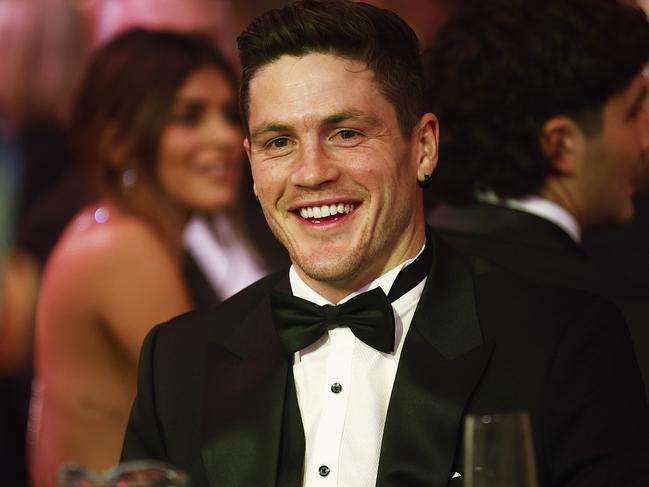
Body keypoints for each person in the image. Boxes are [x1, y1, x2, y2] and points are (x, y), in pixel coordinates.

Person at [121, 1, 649, 486]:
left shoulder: (560, 343)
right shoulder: (178, 363)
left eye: (346, 133)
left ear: (423, 147)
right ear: (253, 166)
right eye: (279, 142)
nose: (311, 173)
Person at [28, 28, 266, 487]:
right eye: (189, 117)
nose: (225, 137)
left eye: (227, 114)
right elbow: (227, 418)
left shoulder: (112, 231)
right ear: (118, 141)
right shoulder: (121, 248)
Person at [423, 0, 649, 395]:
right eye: (633, 113)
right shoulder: (601, 315)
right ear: (558, 145)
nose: (645, 142)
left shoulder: (397, 278)